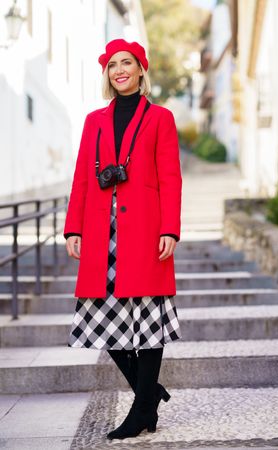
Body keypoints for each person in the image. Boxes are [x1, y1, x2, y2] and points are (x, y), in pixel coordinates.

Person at [63, 38, 182, 440]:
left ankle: (141, 412)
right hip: (100, 230)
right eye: (112, 64)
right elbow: (82, 175)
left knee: (148, 319)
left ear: (140, 69)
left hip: (147, 228)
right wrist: (73, 227)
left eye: (126, 62)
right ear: (107, 74)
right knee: (99, 317)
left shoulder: (160, 118)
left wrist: (170, 228)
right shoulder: (94, 120)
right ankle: (149, 395)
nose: (119, 70)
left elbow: (170, 177)